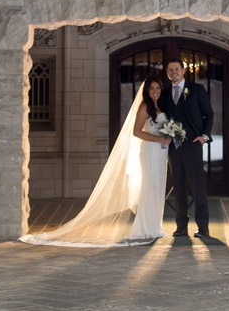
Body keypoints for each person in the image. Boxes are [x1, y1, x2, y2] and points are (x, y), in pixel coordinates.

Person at [19, 77, 171, 247]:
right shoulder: (145, 107)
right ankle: (145, 227)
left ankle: (155, 226)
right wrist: (158, 139)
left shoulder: (163, 106)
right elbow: (136, 132)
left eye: (158, 88)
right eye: (151, 88)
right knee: (148, 187)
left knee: (157, 187)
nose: (155, 91)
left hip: (161, 153)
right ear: (146, 91)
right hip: (150, 151)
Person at [161, 58, 214, 239]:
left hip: (193, 145)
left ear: (183, 71)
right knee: (179, 187)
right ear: (167, 72)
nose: (173, 72)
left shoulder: (197, 90)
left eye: (176, 69)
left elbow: (209, 113)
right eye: (170, 69)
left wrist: (204, 136)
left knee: (198, 187)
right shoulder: (165, 93)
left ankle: (203, 228)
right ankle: (181, 227)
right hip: (174, 147)